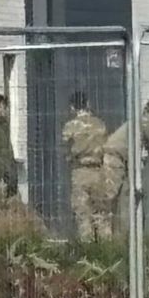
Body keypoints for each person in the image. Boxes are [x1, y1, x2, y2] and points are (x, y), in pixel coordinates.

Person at [102, 98, 149, 239]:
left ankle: (120, 236)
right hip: (115, 159)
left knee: (123, 198)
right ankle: (107, 236)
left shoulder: (137, 123)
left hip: (120, 160)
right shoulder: (144, 122)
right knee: (110, 198)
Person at [61, 91, 112, 239]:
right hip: (99, 171)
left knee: (83, 214)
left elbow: (65, 149)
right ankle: (107, 248)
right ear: (88, 104)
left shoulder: (70, 127)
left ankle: (87, 249)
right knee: (101, 213)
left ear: (72, 107)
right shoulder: (100, 124)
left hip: (80, 171)